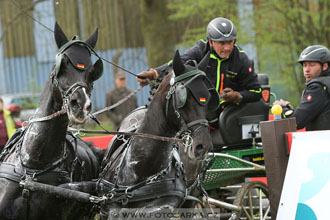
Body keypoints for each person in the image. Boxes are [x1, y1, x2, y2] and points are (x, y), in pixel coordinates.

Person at [136, 17, 261, 126]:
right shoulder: (200, 50)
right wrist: (154, 73)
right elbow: (178, 63)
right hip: (200, 112)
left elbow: (256, 92)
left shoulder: (242, 60)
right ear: (211, 42)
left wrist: (238, 96)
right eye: (222, 43)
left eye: (230, 42)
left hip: (228, 114)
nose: (227, 48)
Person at [274, 45, 330, 131]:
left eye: (312, 65)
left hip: (323, 142)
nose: (307, 69)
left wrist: (282, 109)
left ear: (325, 66)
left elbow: (296, 122)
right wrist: (289, 108)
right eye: (304, 65)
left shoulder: (318, 88)